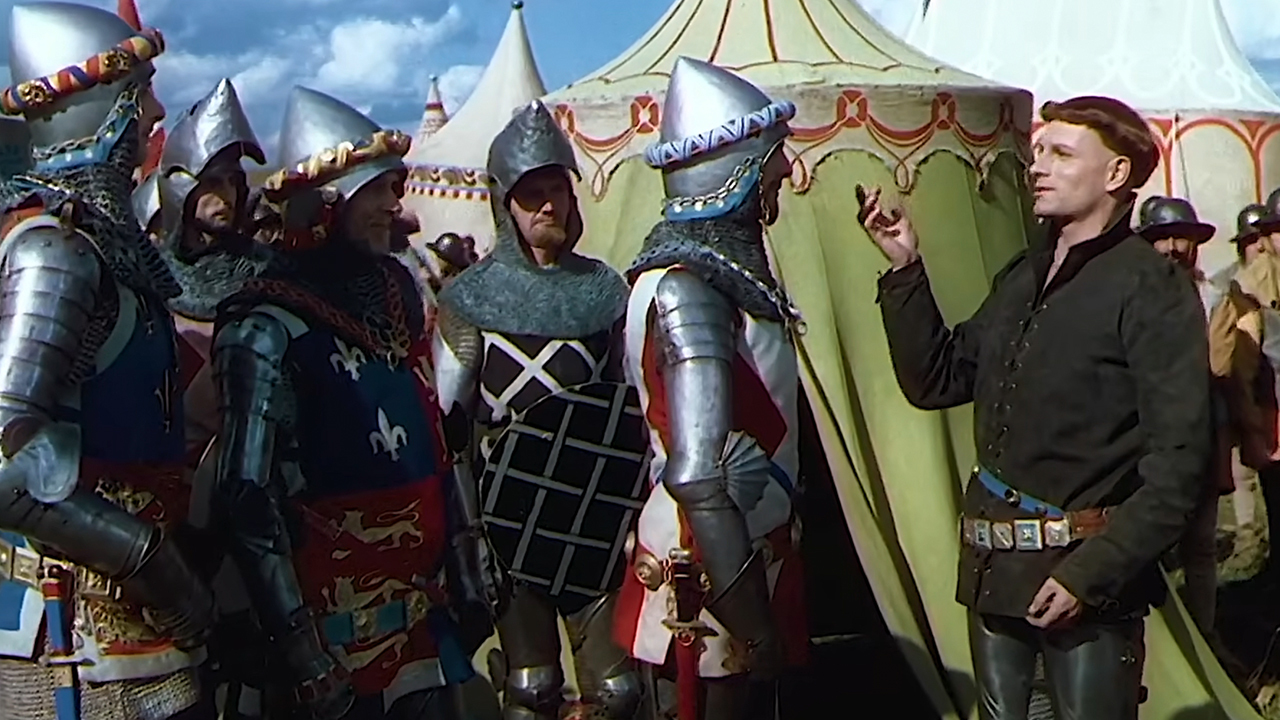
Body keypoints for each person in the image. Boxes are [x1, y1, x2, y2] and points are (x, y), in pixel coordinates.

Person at [861, 96, 1210, 719]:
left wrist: (1090, 573)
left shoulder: (1149, 288)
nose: (1038, 166)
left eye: (1061, 153)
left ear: (1116, 176)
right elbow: (936, 380)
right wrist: (905, 267)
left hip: (1087, 584)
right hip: (995, 577)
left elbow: (1179, 466)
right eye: (1038, 151)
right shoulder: (1022, 278)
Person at [211, 85, 494, 720]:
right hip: (330, 643)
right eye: (379, 191)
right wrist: (303, 656)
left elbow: (439, 444)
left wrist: (467, 572)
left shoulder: (398, 294)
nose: (395, 204)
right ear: (326, 201)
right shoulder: (264, 327)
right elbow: (249, 499)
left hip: (423, 622)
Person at [0, 2, 217, 718]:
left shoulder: (107, 253)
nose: (157, 114)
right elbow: (6, 457)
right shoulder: (52, 252)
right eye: (140, 96)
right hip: (74, 635)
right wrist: (154, 561)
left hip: (136, 634)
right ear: (101, 113)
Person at [433, 99, 636, 720]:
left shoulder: (606, 292)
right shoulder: (470, 300)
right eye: (532, 194)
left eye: (558, 190)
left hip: (596, 518)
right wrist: (469, 542)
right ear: (505, 204)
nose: (550, 204)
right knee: (531, 686)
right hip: (507, 521)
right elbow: (451, 431)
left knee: (619, 691)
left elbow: (629, 407)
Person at [617, 57, 807, 720]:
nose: (785, 171)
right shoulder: (686, 290)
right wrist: (754, 628)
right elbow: (699, 476)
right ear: (736, 172)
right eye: (772, 159)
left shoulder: (725, 278)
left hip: (748, 559)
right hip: (708, 584)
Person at [1133, 196, 1233, 637]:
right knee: (1141, 546)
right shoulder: (1130, 298)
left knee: (1199, 546)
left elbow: (1220, 365)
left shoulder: (1213, 299)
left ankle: (1204, 637)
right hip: (1138, 438)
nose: (1173, 247)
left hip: (1199, 434)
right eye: (1162, 239)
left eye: (1182, 239)